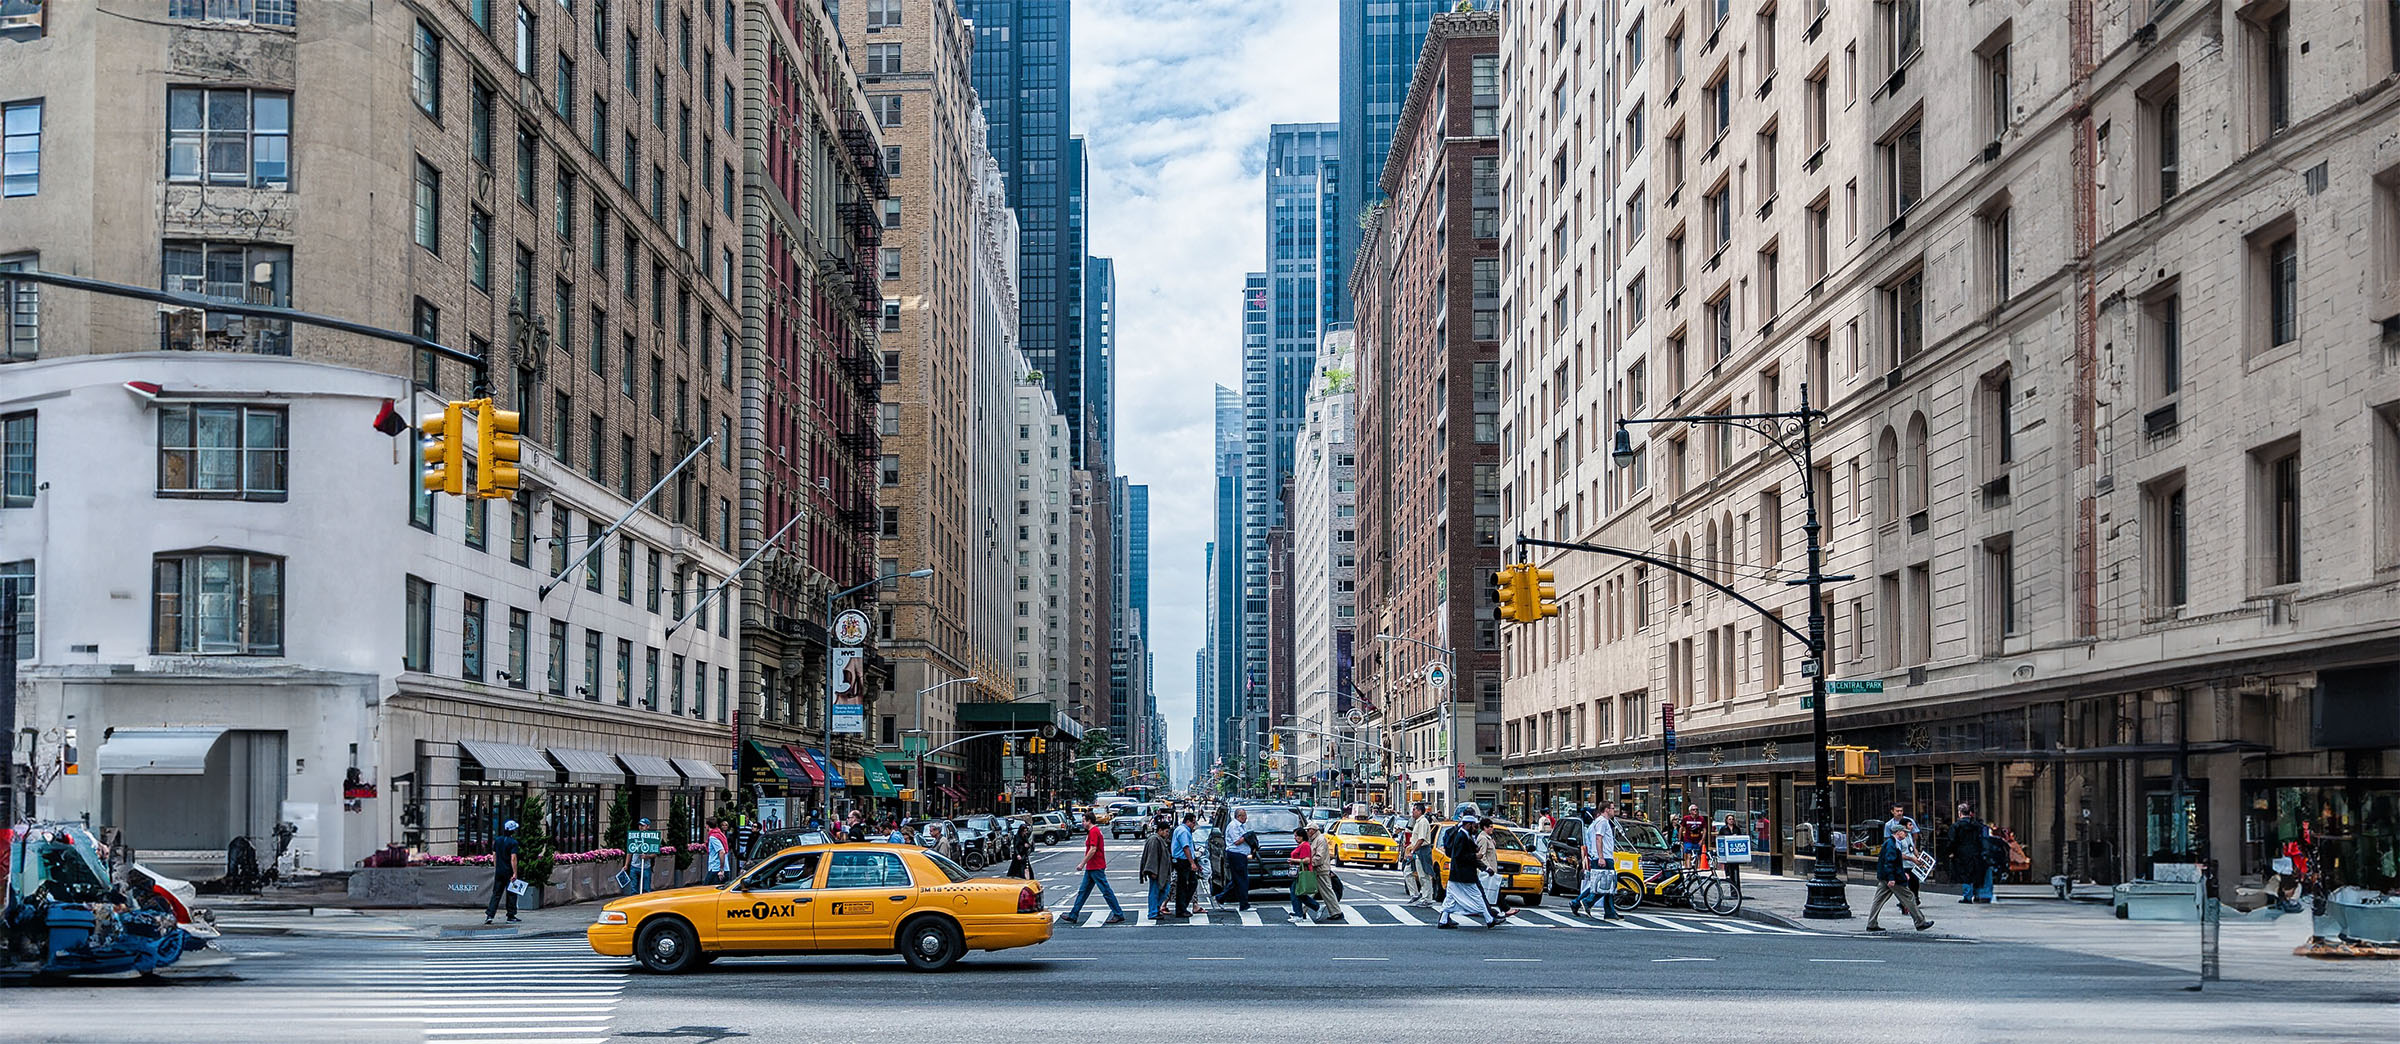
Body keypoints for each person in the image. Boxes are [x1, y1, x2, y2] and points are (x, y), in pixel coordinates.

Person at [1866, 819, 1935, 932]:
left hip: (1886, 877)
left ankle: (1871, 923)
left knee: (1878, 900)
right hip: (1892, 879)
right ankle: (1920, 922)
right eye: (1904, 832)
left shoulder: (1892, 843)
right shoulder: (1892, 845)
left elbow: (1892, 863)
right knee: (1909, 897)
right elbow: (1890, 863)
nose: (1906, 834)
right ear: (1898, 832)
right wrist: (1892, 878)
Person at [1065, 811, 1128, 925]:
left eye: (1084, 821)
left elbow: (1093, 849)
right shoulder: (1093, 831)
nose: (1082, 823)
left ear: (1089, 821)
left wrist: (1082, 863)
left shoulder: (1094, 832)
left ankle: (1118, 914)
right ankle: (1073, 914)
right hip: (1092, 867)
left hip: (1096, 866)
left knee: (1105, 891)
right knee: (1083, 892)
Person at [1437, 816, 1499, 929]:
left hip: (1457, 874)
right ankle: (1489, 919)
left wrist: (1483, 866)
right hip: (1464, 874)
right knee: (1477, 896)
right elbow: (1459, 856)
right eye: (1474, 826)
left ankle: (1443, 920)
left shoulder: (1464, 835)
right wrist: (1475, 855)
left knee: (1450, 897)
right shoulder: (1462, 836)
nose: (1475, 829)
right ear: (1468, 825)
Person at [1573, 804, 1624, 919]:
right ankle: (1587, 902)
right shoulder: (1602, 822)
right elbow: (1598, 838)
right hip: (1603, 857)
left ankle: (1609, 911)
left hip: (1602, 856)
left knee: (1602, 885)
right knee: (1605, 884)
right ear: (1606, 810)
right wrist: (1601, 857)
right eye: (1612, 808)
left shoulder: (1597, 822)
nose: (1614, 810)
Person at [1947, 802, 1995, 903]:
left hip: (1962, 854)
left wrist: (1950, 852)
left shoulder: (1956, 826)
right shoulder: (1978, 826)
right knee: (1977, 874)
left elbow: (1952, 841)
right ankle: (1978, 895)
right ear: (1970, 813)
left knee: (1965, 875)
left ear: (1959, 813)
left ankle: (1967, 896)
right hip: (1977, 853)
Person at [484, 819, 522, 925]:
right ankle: (511, 915)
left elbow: (494, 855)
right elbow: (513, 858)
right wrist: (515, 872)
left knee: (496, 893)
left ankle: (490, 915)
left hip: (499, 871)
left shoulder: (498, 840)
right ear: (513, 831)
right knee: (511, 894)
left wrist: (497, 867)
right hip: (508, 871)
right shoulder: (513, 842)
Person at [1308, 824, 1346, 922]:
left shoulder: (1320, 840)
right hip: (1318, 869)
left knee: (1325, 891)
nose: (1307, 831)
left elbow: (1319, 857)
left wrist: (1309, 863)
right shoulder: (1316, 839)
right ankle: (1301, 911)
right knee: (1311, 891)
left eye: (1309, 830)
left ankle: (1336, 912)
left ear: (1313, 830)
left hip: (1320, 869)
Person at [1221, 808, 1256, 912]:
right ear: (1239, 816)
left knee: (1237, 880)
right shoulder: (1233, 826)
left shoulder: (1241, 826)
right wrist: (1246, 837)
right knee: (1242, 880)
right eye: (1244, 816)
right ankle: (1244, 904)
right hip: (1236, 855)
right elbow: (1237, 841)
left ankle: (1221, 897)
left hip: (1241, 855)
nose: (1246, 818)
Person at [1139, 818, 1175, 919]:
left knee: (1164, 890)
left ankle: (1156, 909)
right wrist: (1152, 871)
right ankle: (1153, 912)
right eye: (1166, 831)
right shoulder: (1154, 840)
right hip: (1156, 872)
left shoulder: (1160, 840)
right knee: (1155, 892)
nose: (1168, 833)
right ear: (1160, 830)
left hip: (1162, 872)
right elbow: (1152, 856)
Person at [1289, 827, 1326, 921]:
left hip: (1302, 872)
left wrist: (1293, 860)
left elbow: (1307, 860)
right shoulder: (1302, 845)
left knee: (1295, 893)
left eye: (1297, 836)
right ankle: (1316, 907)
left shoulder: (1304, 845)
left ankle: (1299, 914)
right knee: (1299, 893)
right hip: (1299, 872)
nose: (1295, 838)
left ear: (1302, 836)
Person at [1407, 801, 1438, 908]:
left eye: (1414, 810)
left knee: (1424, 875)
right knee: (1408, 873)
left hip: (1422, 850)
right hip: (1417, 850)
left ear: (1420, 811)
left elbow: (1421, 839)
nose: (1412, 812)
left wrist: (1413, 851)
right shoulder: (1417, 822)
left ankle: (1427, 898)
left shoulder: (1423, 822)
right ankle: (1415, 894)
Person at [1170, 812, 1201, 918]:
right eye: (1193, 823)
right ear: (1187, 821)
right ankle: (1181, 908)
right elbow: (1186, 847)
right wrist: (1192, 862)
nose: (1194, 825)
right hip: (1183, 861)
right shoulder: (1183, 831)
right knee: (1183, 885)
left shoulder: (1182, 830)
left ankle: (1183, 906)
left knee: (1192, 882)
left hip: (1185, 860)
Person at [622, 817, 656, 895]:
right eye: (640, 825)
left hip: (646, 867)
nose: (641, 827)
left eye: (643, 825)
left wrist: (647, 856)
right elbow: (630, 851)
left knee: (646, 889)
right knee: (634, 888)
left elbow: (655, 853)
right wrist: (626, 865)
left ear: (648, 826)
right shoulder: (634, 837)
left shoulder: (652, 838)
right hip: (634, 866)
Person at [703, 818, 732, 886]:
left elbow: (722, 852)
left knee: (707, 890)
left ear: (707, 826)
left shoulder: (713, 837)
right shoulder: (720, 834)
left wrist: (721, 870)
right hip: (724, 869)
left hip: (716, 869)